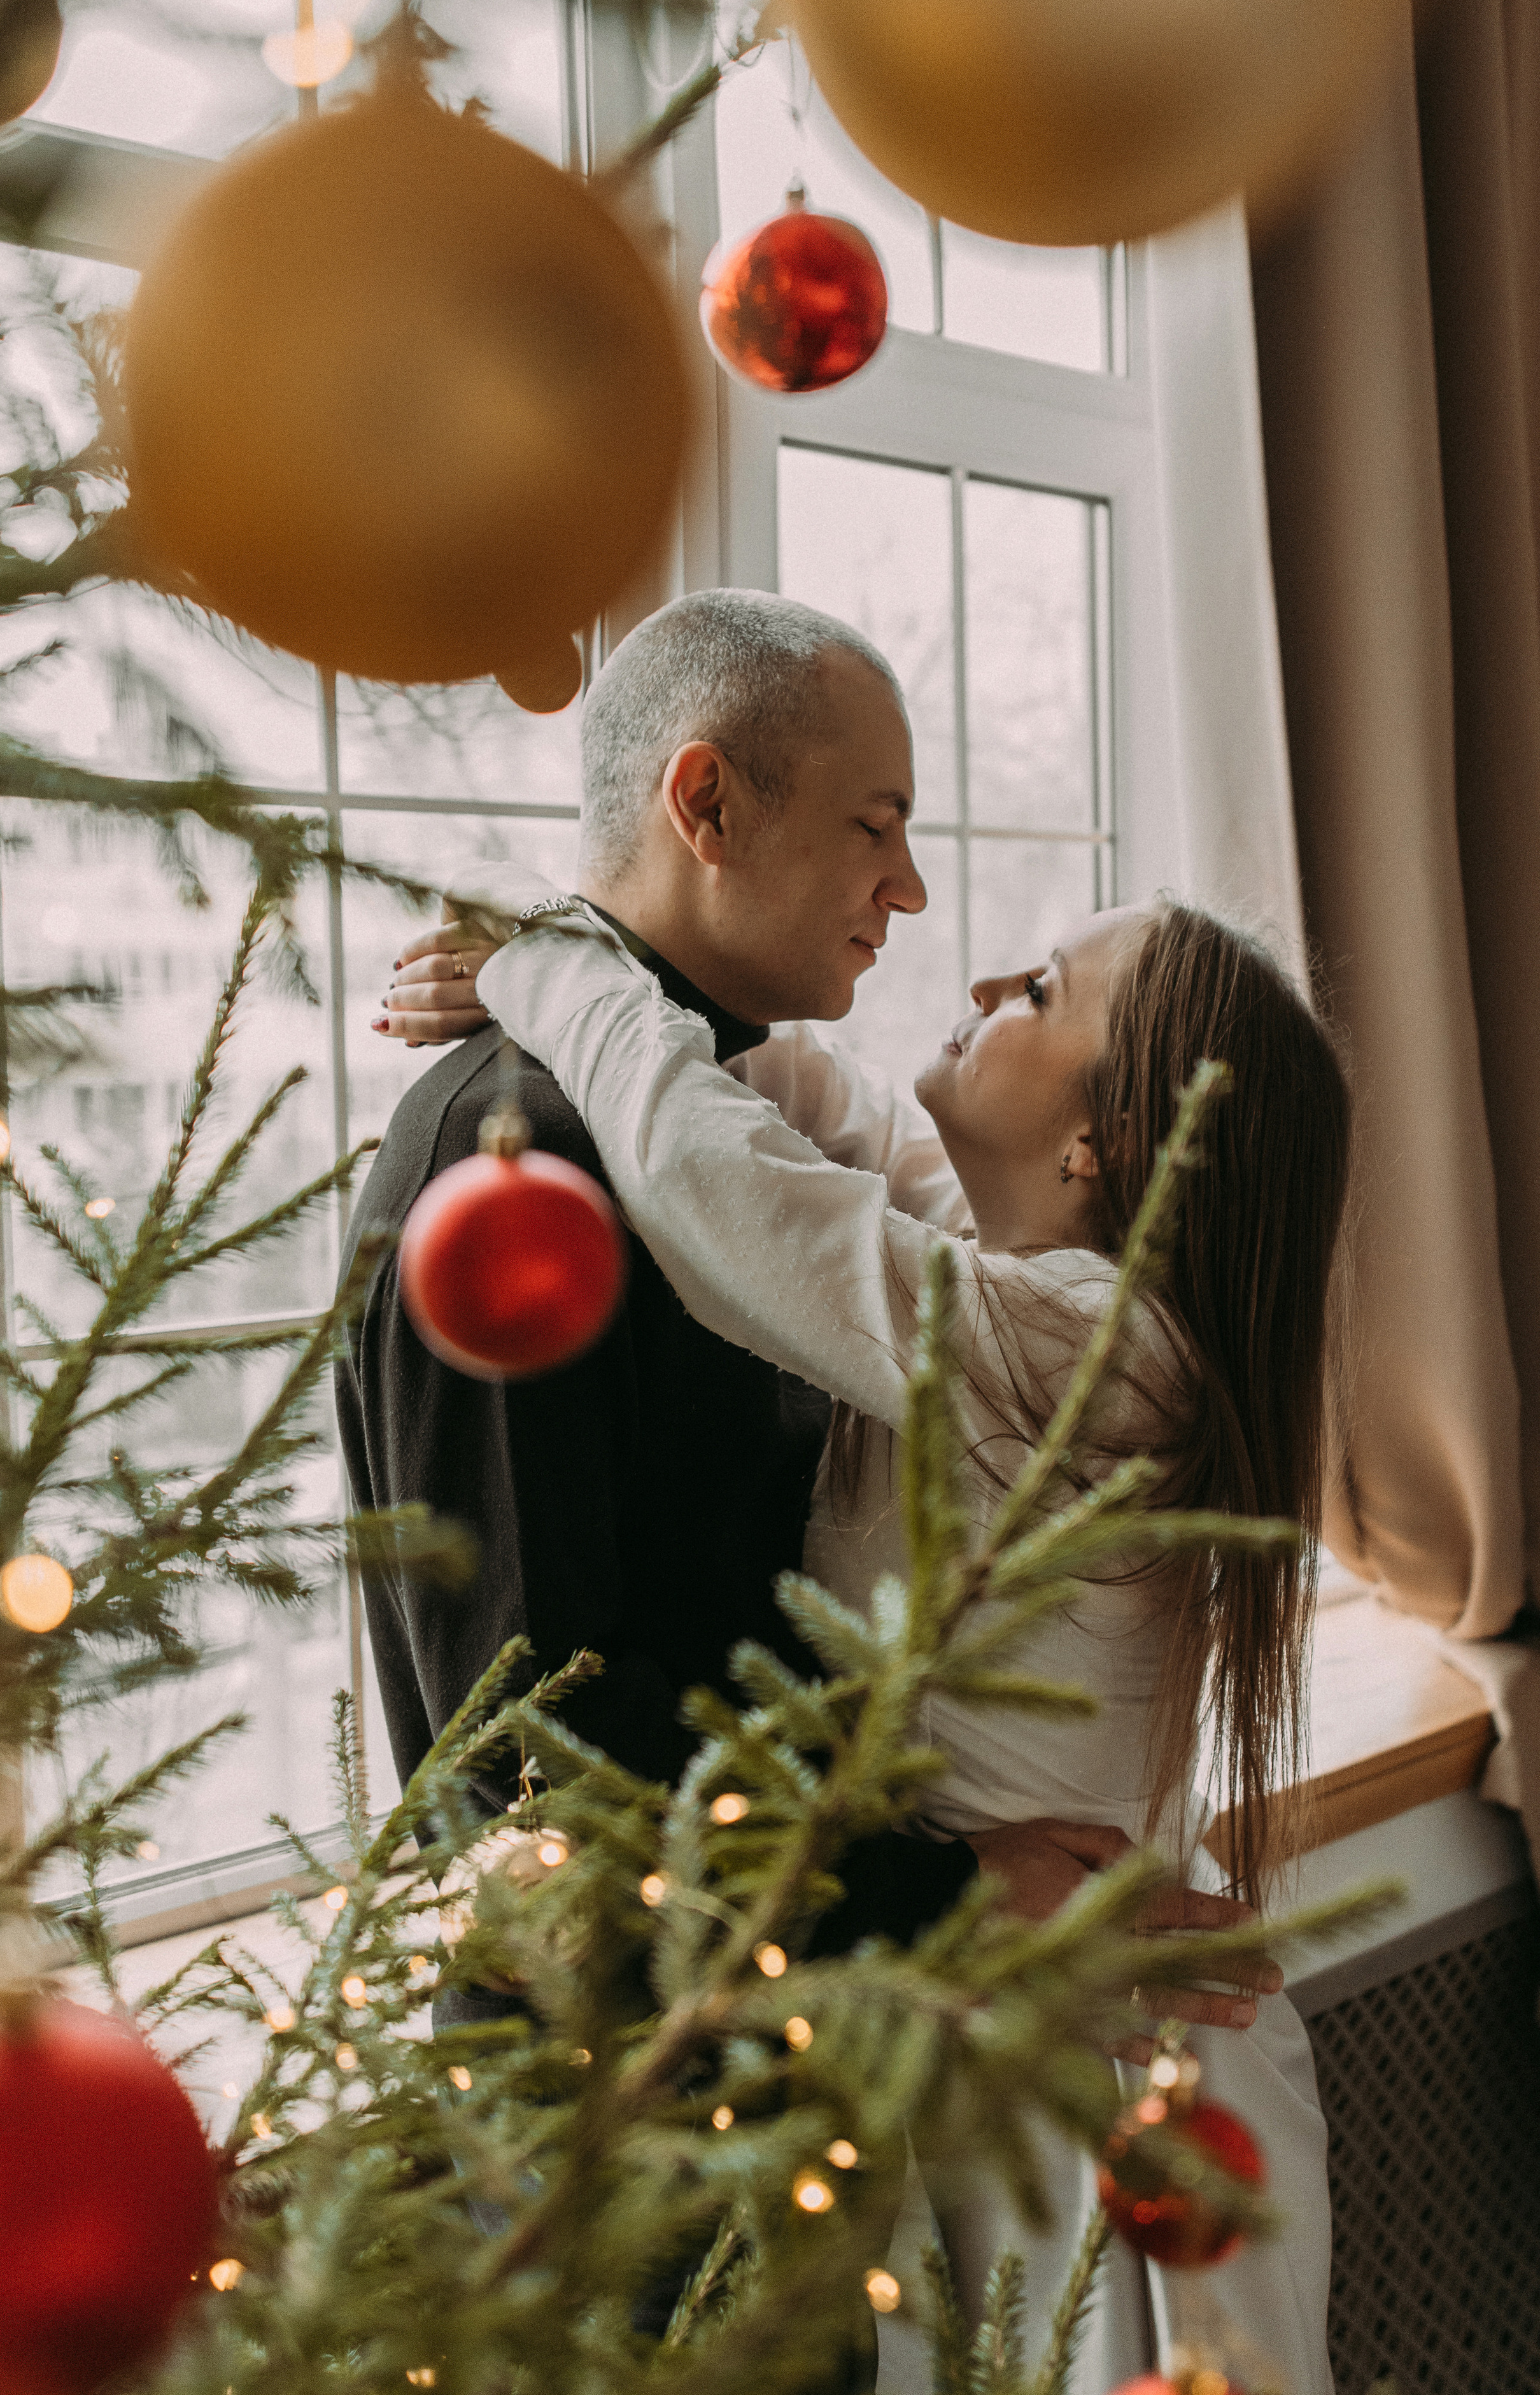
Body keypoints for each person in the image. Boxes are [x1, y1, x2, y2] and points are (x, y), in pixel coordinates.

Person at [385, 872, 1350, 2395]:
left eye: (1036, 991)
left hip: (1067, 2092)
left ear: (1096, 1150)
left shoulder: (1089, 1356)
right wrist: (593, 969)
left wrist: (560, 969)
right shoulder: (1034, 1287)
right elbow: (838, 1121)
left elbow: (728, 1195)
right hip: (988, 2002)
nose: (977, 986)